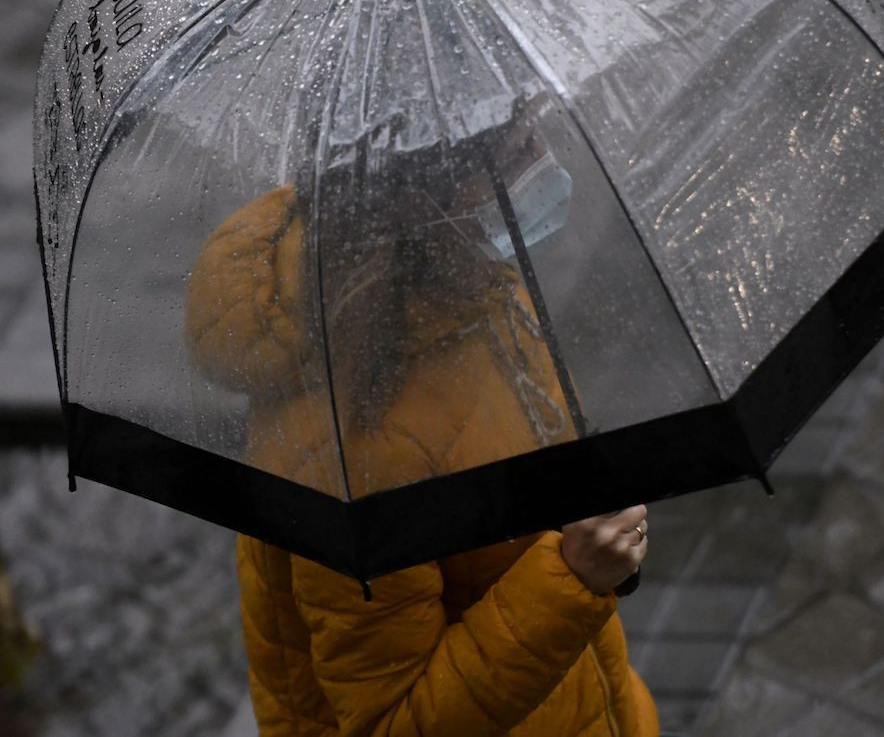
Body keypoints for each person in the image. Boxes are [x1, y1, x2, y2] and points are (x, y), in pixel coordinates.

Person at [184, 112, 659, 736]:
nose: (544, 158)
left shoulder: (471, 286)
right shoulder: (351, 447)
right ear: (429, 191)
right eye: (518, 149)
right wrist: (570, 580)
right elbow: (391, 724)